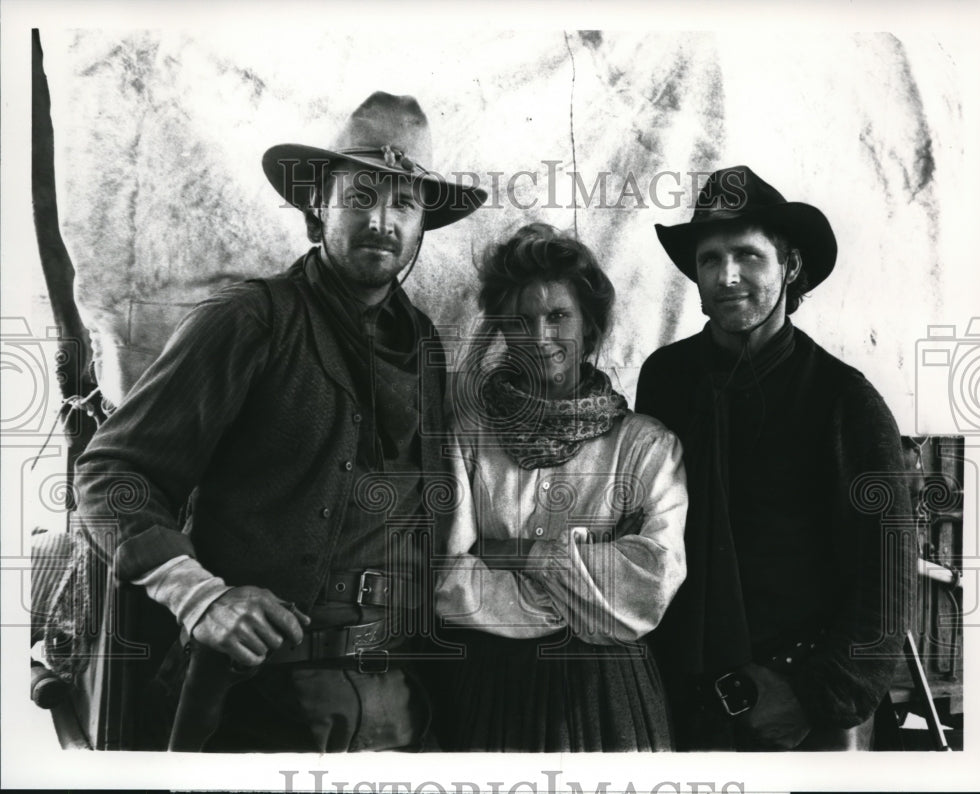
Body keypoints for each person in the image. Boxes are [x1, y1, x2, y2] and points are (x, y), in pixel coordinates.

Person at [73, 91, 486, 752]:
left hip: (399, 701)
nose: (381, 220)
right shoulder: (249, 322)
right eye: (360, 197)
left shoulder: (426, 347)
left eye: (403, 202)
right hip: (261, 703)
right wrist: (200, 597)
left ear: (420, 228)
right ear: (315, 212)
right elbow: (110, 474)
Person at [637, 165, 915, 751]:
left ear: (790, 267)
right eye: (709, 259)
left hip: (801, 706)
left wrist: (815, 697)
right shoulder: (666, 379)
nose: (726, 275)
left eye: (748, 256)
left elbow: (887, 580)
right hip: (681, 701)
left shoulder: (845, 402)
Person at [432, 223, 688, 752]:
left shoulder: (645, 445)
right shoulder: (469, 435)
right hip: (494, 688)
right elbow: (447, 581)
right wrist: (587, 584)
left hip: (608, 693)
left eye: (558, 317)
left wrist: (513, 555)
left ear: (589, 327)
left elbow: (652, 583)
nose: (540, 338)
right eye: (521, 321)